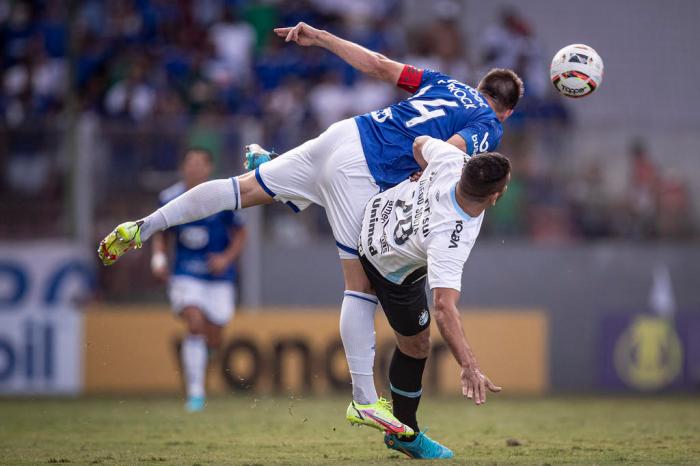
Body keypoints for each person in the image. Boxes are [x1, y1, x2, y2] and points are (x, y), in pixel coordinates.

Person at [97, 22, 523, 434]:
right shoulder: (489, 125)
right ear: (506, 109)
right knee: (361, 285)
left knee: (239, 189)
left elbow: (376, 63)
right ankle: (362, 398)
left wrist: (320, 37)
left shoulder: (445, 82)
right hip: (363, 171)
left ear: (481, 86)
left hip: (344, 134)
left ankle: (145, 226)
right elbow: (448, 156)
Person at [357, 136, 509, 458]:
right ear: (495, 197)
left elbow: (419, 142)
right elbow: (443, 308)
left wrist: (423, 170)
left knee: (415, 338)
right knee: (417, 346)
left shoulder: (452, 160)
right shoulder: (451, 237)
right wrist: (468, 365)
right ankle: (405, 432)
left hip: (376, 212)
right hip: (387, 262)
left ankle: (400, 425)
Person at [151, 148, 247, 412]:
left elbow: (240, 233)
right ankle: (195, 393)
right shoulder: (169, 197)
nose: (194, 168)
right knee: (194, 323)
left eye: (199, 164)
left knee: (214, 337)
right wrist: (158, 260)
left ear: (208, 168)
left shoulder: (222, 195)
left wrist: (226, 259)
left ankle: (198, 367)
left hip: (218, 277)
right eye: (189, 163)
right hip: (185, 274)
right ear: (183, 167)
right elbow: (160, 231)